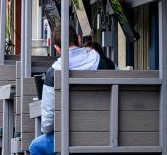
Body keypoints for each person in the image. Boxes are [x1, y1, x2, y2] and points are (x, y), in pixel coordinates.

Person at [29, 26, 112, 155]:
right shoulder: (105, 63)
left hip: (69, 139)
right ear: (79, 40)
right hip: (107, 134)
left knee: (35, 146)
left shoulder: (53, 74)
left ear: (57, 48)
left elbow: (47, 124)